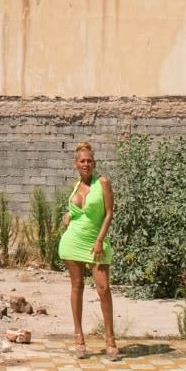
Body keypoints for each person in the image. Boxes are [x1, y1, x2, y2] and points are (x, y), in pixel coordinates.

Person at [57, 141, 118, 359]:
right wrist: (68, 215)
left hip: (96, 242)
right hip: (72, 241)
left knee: (103, 288)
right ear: (75, 164)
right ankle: (78, 337)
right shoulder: (76, 186)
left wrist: (100, 240)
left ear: (94, 163)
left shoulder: (103, 183)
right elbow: (77, 210)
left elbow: (109, 213)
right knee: (77, 286)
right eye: (82, 161)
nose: (86, 164)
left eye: (89, 161)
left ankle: (110, 339)